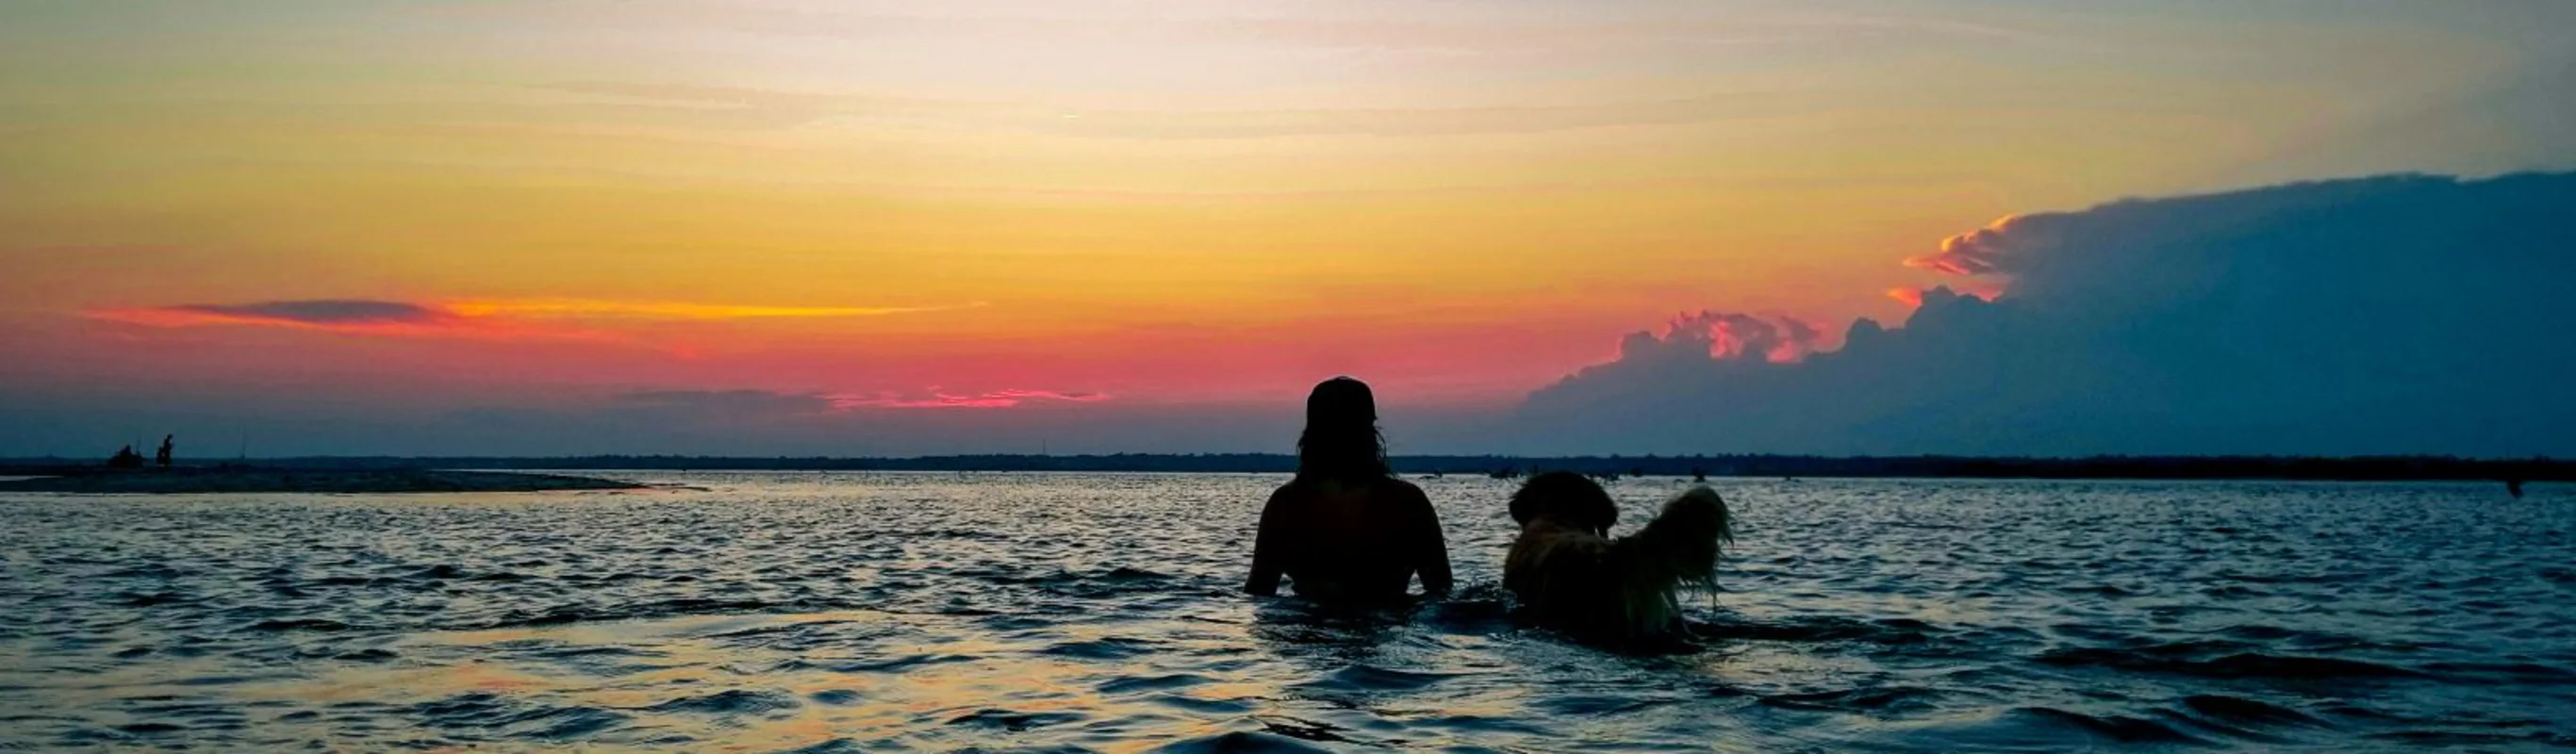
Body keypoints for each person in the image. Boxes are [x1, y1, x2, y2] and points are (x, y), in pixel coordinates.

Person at [1245, 377, 1452, 604]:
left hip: (1309, 620)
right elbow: (1441, 593)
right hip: (1386, 620)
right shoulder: (1407, 502)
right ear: (1371, 431)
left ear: (1311, 434)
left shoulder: (1287, 504)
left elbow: (1259, 593)